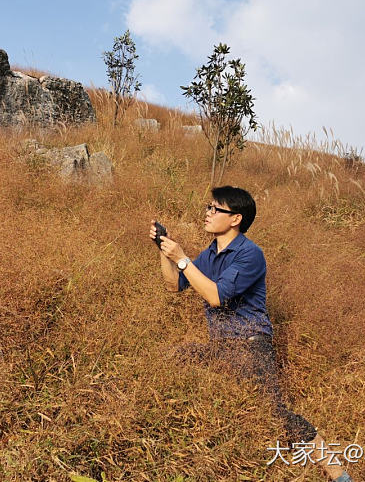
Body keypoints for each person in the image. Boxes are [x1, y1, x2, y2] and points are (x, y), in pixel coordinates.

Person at [150, 186, 352, 482]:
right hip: (221, 347)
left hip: (250, 347)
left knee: (274, 414)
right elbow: (174, 286)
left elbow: (216, 296)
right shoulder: (211, 253)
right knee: (174, 360)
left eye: (215, 209)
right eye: (208, 207)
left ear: (235, 219)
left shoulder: (250, 254)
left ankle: (339, 474)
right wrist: (164, 251)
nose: (207, 213)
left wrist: (183, 259)